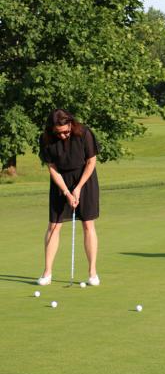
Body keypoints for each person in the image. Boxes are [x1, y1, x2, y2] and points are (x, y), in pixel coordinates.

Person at [37, 109, 101, 286]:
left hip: (85, 180)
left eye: (66, 131)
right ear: (52, 130)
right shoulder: (46, 139)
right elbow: (52, 168)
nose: (64, 135)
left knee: (88, 224)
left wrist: (78, 188)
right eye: (59, 133)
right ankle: (47, 272)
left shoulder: (84, 133)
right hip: (60, 181)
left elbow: (91, 161)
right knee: (54, 226)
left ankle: (92, 273)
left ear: (71, 124)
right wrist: (66, 192)